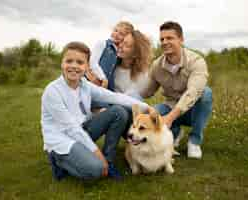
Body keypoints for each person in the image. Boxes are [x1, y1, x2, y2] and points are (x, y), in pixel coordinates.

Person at [41, 41, 149, 181]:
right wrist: (97, 153)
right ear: (62, 63)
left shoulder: (84, 85)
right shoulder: (53, 91)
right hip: (64, 138)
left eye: (80, 62)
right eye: (69, 61)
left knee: (118, 112)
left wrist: (146, 107)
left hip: (83, 130)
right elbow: (71, 129)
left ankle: (109, 162)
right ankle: (58, 160)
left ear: (86, 67)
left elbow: (113, 96)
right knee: (96, 170)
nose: (74, 66)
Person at [141, 21, 212, 159]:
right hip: (170, 106)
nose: (165, 42)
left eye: (169, 38)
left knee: (205, 93)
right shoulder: (157, 66)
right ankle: (175, 132)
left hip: (192, 111)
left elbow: (193, 93)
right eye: (162, 39)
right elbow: (146, 92)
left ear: (181, 39)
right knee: (152, 114)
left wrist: (170, 118)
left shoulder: (196, 61)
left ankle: (194, 141)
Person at [89, 21, 134, 91]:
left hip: (108, 87)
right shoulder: (102, 44)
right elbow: (93, 62)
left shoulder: (119, 53)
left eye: (121, 34)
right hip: (95, 81)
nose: (116, 34)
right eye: (115, 30)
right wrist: (102, 77)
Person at [114, 30, 152, 99]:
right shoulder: (112, 66)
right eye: (122, 41)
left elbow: (133, 99)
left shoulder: (142, 75)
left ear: (135, 53)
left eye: (126, 45)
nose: (120, 45)